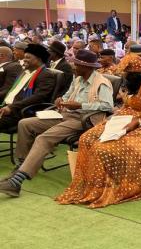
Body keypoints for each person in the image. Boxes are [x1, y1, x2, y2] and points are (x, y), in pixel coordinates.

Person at [55, 56, 141, 208]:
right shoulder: (133, 85)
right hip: (124, 118)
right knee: (86, 139)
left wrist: (137, 122)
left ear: (135, 75)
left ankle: (111, 185)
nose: (123, 76)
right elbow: (129, 104)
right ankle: (93, 184)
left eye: (126, 74)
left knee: (102, 147)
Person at [0, 50, 113, 196]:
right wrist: (60, 100)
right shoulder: (77, 78)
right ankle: (22, 165)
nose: (73, 66)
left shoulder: (102, 83)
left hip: (83, 120)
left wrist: (80, 106)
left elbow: (108, 106)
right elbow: (67, 95)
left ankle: (16, 182)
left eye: (77, 64)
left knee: (44, 138)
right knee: (25, 124)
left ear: (87, 67)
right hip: (64, 114)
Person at [0, 44, 56, 131]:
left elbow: (38, 97)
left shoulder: (45, 75)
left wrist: (11, 107)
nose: (24, 60)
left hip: (20, 112)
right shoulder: (24, 72)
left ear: (39, 59)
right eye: (24, 57)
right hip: (5, 107)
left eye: (28, 57)